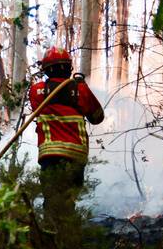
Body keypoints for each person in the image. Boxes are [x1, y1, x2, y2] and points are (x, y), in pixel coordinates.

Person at [28, 48, 105, 222]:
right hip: (75, 155)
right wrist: (79, 89)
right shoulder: (80, 89)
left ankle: (51, 239)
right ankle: (69, 236)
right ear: (69, 67)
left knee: (52, 199)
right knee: (69, 199)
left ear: (46, 70)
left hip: (50, 155)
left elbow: (36, 109)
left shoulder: (36, 91)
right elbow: (97, 117)